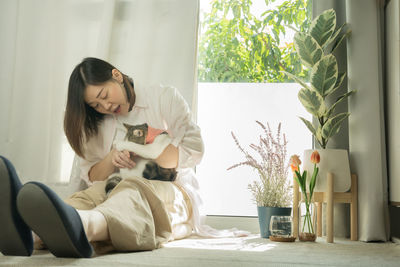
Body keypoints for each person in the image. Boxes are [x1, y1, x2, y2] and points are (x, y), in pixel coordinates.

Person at [0, 57, 204, 258]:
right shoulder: (98, 122)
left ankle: (82, 227)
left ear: (116, 75)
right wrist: (110, 159)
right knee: (92, 194)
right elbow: (92, 176)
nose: (104, 107)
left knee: (131, 191)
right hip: (113, 186)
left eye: (104, 95)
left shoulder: (163, 98)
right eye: (96, 105)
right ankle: (30, 233)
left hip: (170, 190)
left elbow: (194, 152)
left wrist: (148, 141)